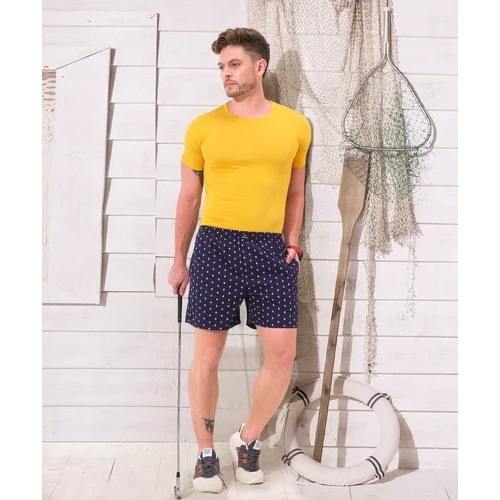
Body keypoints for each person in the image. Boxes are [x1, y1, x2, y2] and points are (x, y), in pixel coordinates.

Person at [168, 27, 312, 494]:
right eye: (222, 67)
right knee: (207, 356)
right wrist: (179, 259)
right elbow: (189, 198)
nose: (225, 74)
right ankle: (205, 454)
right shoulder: (204, 127)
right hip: (215, 247)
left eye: (234, 64)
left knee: (282, 354)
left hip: (272, 249)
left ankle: (247, 439)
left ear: (259, 66)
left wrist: (292, 240)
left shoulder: (295, 126)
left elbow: (295, 192)